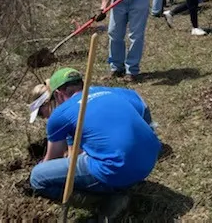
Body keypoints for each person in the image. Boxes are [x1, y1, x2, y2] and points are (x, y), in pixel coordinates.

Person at [28, 67, 161, 215]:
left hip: (118, 169)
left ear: (58, 95)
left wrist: (38, 167)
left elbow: (52, 158)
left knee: (37, 177)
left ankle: (103, 201)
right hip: (148, 161)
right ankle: (119, 186)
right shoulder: (108, 92)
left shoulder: (60, 114)